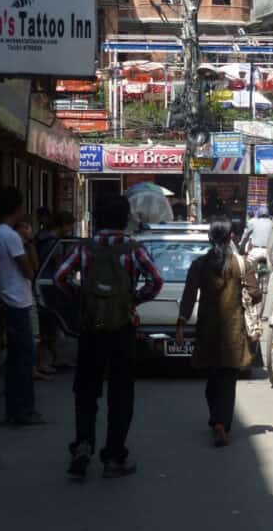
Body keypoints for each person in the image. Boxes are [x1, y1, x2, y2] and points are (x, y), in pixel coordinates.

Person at [54, 195, 163, 479]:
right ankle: (114, 457)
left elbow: (60, 277)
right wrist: (133, 301)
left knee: (86, 392)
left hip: (91, 328)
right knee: (121, 394)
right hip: (122, 329)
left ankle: (83, 445)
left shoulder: (84, 248)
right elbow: (156, 281)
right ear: (124, 218)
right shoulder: (133, 249)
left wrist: (83, 299)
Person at [175, 218, 261, 447]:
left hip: (207, 330)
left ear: (209, 238)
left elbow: (189, 296)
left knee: (212, 378)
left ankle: (216, 421)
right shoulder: (242, 264)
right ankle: (223, 423)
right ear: (230, 237)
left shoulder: (199, 265)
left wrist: (181, 325)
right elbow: (255, 294)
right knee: (228, 380)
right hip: (233, 330)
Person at [0, 187, 43, 426]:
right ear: (18, 208)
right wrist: (28, 241)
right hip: (17, 301)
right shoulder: (10, 236)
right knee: (25, 358)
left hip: (11, 299)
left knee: (16, 359)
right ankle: (23, 409)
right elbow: (30, 270)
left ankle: (15, 409)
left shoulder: (1, 233)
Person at [34, 210, 76, 376]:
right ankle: (43, 362)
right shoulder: (56, 244)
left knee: (49, 323)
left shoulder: (40, 237)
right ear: (63, 225)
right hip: (49, 285)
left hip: (39, 282)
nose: (71, 229)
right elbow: (60, 268)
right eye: (70, 225)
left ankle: (55, 357)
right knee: (50, 324)